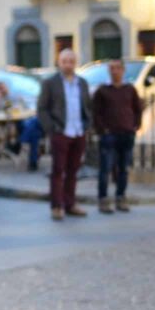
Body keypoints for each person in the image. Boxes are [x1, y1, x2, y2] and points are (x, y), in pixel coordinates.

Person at [37, 49, 92, 221]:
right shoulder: (50, 83)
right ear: (59, 62)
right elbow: (42, 108)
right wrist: (51, 129)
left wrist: (87, 125)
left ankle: (70, 203)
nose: (68, 64)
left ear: (75, 63)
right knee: (58, 170)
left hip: (78, 131)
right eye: (64, 61)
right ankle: (56, 205)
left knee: (73, 170)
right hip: (61, 131)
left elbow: (87, 106)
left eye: (71, 61)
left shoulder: (82, 83)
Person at [92, 59, 143, 214]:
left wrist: (135, 125)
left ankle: (121, 197)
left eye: (117, 68)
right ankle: (103, 199)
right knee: (105, 168)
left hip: (126, 134)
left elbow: (137, 108)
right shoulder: (102, 91)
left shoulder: (130, 89)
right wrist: (102, 130)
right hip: (109, 135)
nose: (115, 71)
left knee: (123, 169)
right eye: (112, 68)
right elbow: (96, 112)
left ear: (123, 70)